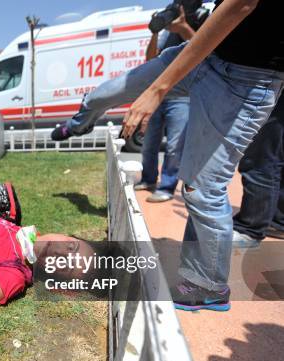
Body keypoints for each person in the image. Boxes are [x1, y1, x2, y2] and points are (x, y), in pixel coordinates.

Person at [51, 0, 284, 311]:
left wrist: (158, 90)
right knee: (103, 94)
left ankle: (207, 285)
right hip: (206, 56)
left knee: (202, 188)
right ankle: (77, 123)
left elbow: (240, 5)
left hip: (246, 78)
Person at [134, 6, 198, 203]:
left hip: (181, 97)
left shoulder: (200, 17)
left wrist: (184, 26)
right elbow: (150, 59)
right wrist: (155, 32)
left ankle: (167, 187)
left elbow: (200, 46)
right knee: (149, 143)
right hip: (159, 97)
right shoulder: (166, 34)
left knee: (174, 147)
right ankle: (148, 179)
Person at [233, 98, 284, 247]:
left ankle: (249, 229)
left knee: (260, 158)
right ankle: (278, 220)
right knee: (275, 155)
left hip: (273, 82)